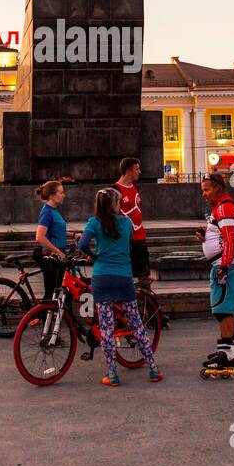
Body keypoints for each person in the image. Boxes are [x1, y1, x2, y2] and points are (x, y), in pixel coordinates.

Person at [74, 188, 163, 386]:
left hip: (102, 277)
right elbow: (128, 241)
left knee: (106, 329)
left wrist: (95, 256)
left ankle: (112, 374)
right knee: (136, 324)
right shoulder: (126, 223)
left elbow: (82, 245)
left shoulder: (93, 222)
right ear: (114, 204)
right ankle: (153, 369)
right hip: (123, 277)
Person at [197, 172, 234, 378]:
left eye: (206, 190)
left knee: (223, 310)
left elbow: (230, 240)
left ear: (217, 187)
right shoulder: (222, 208)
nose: (204, 194)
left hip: (226, 265)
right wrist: (206, 236)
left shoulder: (224, 208)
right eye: (202, 191)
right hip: (227, 263)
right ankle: (231, 350)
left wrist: (224, 267)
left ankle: (225, 354)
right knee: (227, 308)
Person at [114, 156, 151, 292]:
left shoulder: (135, 188)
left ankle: (147, 308)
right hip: (126, 240)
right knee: (126, 277)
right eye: (137, 169)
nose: (139, 172)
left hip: (140, 238)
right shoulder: (115, 190)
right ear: (129, 171)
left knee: (144, 278)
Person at [33, 180, 69, 302]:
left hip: (58, 255)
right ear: (53, 196)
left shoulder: (53, 210)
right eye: (61, 192)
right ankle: (43, 318)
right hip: (51, 257)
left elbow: (54, 229)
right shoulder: (47, 212)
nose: (64, 195)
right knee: (51, 294)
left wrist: (73, 234)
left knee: (60, 290)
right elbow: (39, 237)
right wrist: (58, 252)